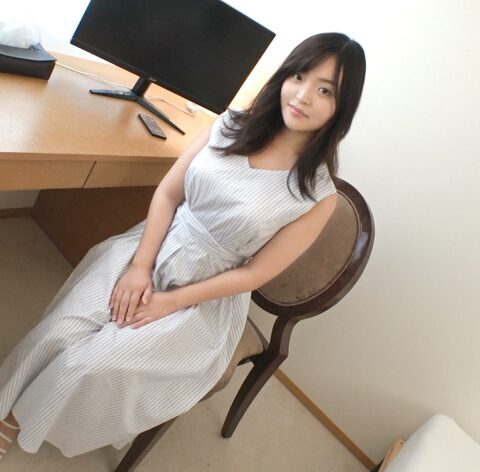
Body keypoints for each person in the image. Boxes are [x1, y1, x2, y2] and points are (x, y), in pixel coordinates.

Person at [0, 32, 366, 459]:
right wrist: (140, 266)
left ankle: (23, 418)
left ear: (342, 106)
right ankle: (8, 403)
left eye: (325, 90)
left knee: (94, 362)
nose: (303, 95)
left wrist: (168, 303)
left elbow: (254, 274)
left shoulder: (317, 196)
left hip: (206, 295)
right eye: (299, 76)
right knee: (63, 327)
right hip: (156, 246)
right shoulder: (231, 125)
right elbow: (169, 194)